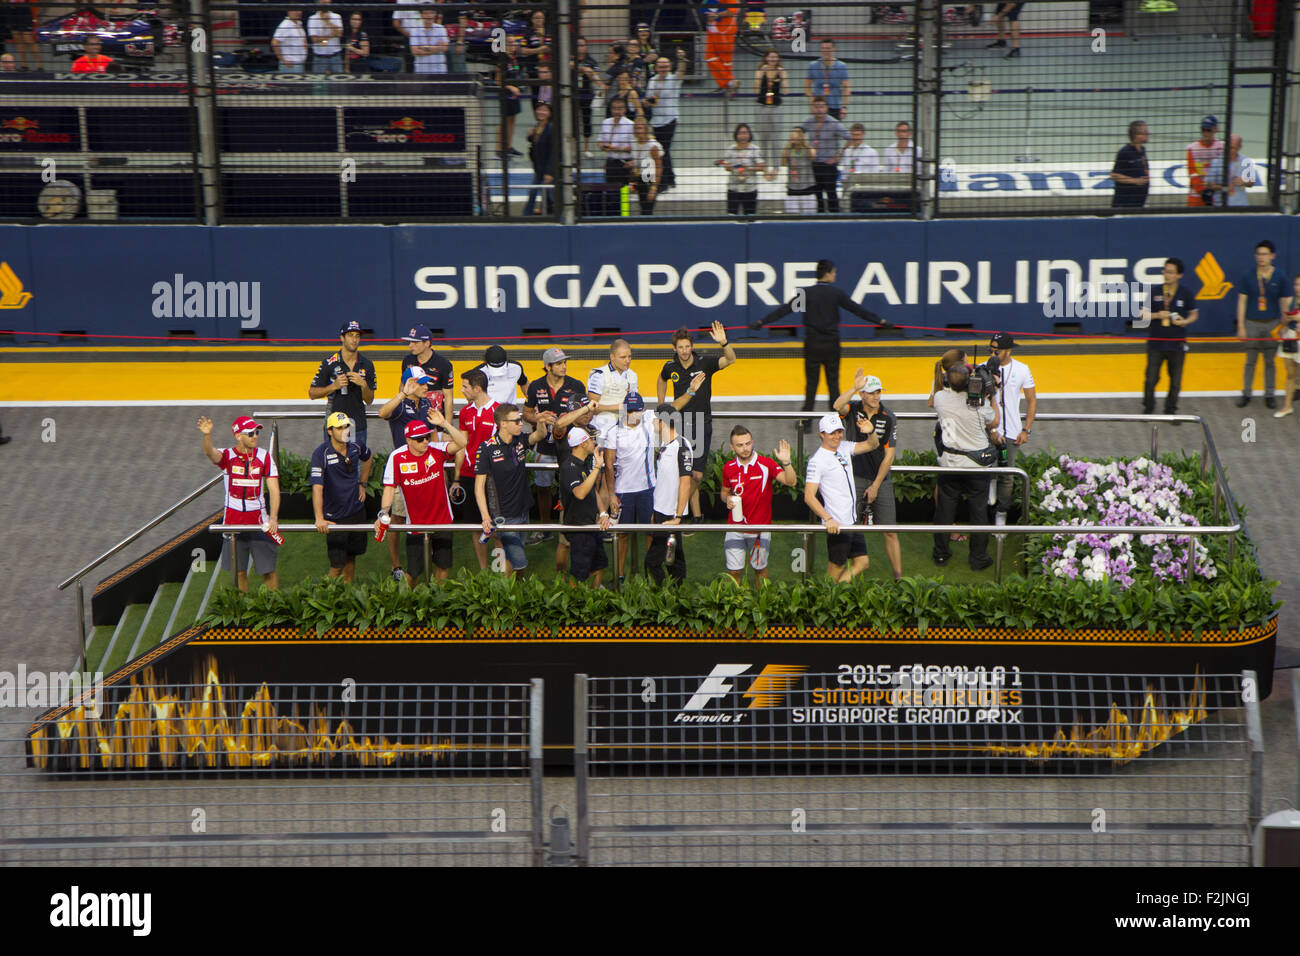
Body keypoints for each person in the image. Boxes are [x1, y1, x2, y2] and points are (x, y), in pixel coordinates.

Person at [752, 259, 893, 423]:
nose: (835, 275)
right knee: (833, 383)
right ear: (827, 274)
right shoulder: (836, 293)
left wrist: (761, 322)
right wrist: (881, 321)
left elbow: (784, 310)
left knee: (811, 384)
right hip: (831, 344)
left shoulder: (806, 293)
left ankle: (806, 421)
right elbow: (858, 310)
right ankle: (837, 418)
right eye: (834, 272)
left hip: (812, 344)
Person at [657, 321, 737, 525]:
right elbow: (661, 379)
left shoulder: (705, 363)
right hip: (678, 425)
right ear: (674, 348)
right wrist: (661, 404)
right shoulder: (670, 366)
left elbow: (731, 360)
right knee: (686, 472)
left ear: (692, 346)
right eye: (680, 347)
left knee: (697, 475)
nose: (684, 351)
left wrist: (724, 342)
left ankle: (677, 511)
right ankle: (694, 516)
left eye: (687, 346)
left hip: (701, 424)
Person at [377, 414, 467, 586]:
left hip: (443, 521)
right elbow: (389, 488)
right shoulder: (396, 457)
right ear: (408, 440)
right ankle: (411, 607)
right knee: (413, 573)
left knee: (442, 567)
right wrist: (383, 513)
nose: (425, 441)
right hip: (415, 525)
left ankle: (437, 603)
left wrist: (444, 424)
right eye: (419, 439)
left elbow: (462, 443)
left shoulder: (437, 449)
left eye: (426, 437)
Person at [198, 415, 280, 592]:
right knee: (239, 572)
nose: (255, 436)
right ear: (238, 436)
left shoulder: (264, 456)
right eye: (250, 433)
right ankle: (243, 612)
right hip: (233, 523)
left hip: (260, 522)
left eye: (256, 432)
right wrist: (207, 435)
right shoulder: (228, 456)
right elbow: (210, 453)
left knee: (269, 570)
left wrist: (273, 518)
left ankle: (276, 608)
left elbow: (274, 490)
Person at [833, 370, 901, 579]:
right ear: (862, 394)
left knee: (890, 531)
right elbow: (837, 406)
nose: (876, 396)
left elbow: (889, 456)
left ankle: (898, 577)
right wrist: (853, 387)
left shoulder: (888, 417)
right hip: (853, 479)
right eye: (871, 393)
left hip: (880, 480)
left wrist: (876, 485)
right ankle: (843, 572)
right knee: (848, 528)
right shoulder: (852, 410)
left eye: (878, 392)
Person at [931, 364, 1000, 571]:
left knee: (944, 510)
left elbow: (939, 391)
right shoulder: (979, 405)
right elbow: (995, 420)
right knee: (978, 512)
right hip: (976, 467)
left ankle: (940, 554)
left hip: (950, 464)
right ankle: (978, 558)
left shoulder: (940, 399)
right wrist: (992, 395)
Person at [376, 365, 437, 582]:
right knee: (398, 519)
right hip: (404, 471)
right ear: (409, 384)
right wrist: (402, 392)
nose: (426, 386)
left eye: (426, 382)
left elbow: (433, 433)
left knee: (425, 515)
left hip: (426, 470)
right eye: (421, 383)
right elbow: (382, 413)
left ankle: (423, 556)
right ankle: (396, 565)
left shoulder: (428, 402)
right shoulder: (401, 404)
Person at [804, 413, 879, 582]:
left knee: (862, 561)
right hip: (837, 524)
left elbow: (872, 444)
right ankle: (824, 601)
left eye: (839, 431)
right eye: (832, 432)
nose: (837, 436)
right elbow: (809, 496)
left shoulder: (844, 447)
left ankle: (834, 594)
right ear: (821, 434)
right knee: (836, 568)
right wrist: (828, 519)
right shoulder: (817, 461)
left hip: (852, 521)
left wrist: (871, 431)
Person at [523, 347, 587, 544]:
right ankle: (544, 528)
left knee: (571, 486)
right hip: (544, 445)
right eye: (559, 363)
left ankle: (572, 525)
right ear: (547, 367)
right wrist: (537, 417)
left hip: (570, 445)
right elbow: (526, 413)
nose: (564, 366)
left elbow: (585, 415)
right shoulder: (535, 386)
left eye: (565, 362)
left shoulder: (576, 385)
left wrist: (569, 420)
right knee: (543, 487)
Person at [475, 403, 545, 576]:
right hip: (504, 515)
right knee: (519, 562)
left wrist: (541, 421)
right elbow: (478, 487)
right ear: (503, 423)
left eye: (520, 420)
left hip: (523, 510)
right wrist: (485, 516)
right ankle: (512, 593)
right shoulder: (487, 448)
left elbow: (540, 435)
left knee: (512, 557)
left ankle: (506, 591)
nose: (521, 424)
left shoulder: (520, 439)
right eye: (517, 421)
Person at [721, 429, 796, 586]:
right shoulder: (728, 468)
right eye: (740, 445)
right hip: (734, 528)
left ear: (752, 442)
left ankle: (762, 606)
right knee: (734, 572)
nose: (745, 448)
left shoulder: (766, 464)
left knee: (760, 570)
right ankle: (735, 607)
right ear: (732, 447)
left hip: (760, 529)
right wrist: (727, 499)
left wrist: (786, 462)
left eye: (748, 443)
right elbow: (724, 492)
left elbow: (791, 482)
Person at [310, 411, 373, 583]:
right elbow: (317, 488)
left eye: (346, 426)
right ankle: (325, 598)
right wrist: (319, 518)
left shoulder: (355, 446)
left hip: (356, 511)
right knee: (337, 565)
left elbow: (368, 458)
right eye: (339, 428)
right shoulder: (320, 454)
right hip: (335, 517)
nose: (345, 430)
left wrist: (363, 483)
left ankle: (348, 595)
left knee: (352, 557)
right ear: (329, 431)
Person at [603, 392, 656, 582]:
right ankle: (619, 575)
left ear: (643, 409)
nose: (634, 413)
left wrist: (691, 391)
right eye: (630, 409)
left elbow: (675, 405)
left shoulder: (650, 422)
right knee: (622, 535)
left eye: (637, 409)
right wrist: (611, 494)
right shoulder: (613, 431)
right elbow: (609, 464)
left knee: (650, 532)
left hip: (647, 490)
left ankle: (650, 574)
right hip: (623, 491)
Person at [986, 333, 1037, 530]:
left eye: (996, 350)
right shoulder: (984, 368)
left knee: (1007, 474)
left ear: (1008, 350)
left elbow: (1032, 400)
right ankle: (990, 485)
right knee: (985, 467)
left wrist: (1026, 430)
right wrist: (990, 428)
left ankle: (1001, 513)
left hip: (1011, 432)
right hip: (987, 430)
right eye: (990, 349)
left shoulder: (1022, 369)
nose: (992, 353)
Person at [1236, 239, 1292, 409]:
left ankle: (1269, 394)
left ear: (1272, 256)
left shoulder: (1280, 276)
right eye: (1258, 254)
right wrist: (1241, 326)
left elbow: (1285, 301)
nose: (1261, 257)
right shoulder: (1248, 275)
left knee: (1270, 361)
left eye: (1265, 254)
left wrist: (1284, 325)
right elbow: (1242, 302)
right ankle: (1246, 393)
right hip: (1252, 323)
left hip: (1272, 324)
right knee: (1250, 361)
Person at [453, 368, 499, 568]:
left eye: (465, 387)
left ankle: (502, 570)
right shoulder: (465, 412)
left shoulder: (499, 411)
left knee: (497, 528)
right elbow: (463, 446)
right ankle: (484, 569)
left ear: (477, 389)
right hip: (469, 476)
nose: (461, 390)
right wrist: (456, 478)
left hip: (492, 478)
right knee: (475, 526)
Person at [1140, 258, 1197, 416]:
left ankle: (1170, 409)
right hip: (1156, 344)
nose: (1167, 275)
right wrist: (1157, 314)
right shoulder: (1155, 291)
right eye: (1165, 271)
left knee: (1176, 382)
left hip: (1177, 345)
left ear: (1179, 275)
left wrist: (1185, 321)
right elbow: (1141, 314)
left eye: (1171, 272)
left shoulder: (1186, 294)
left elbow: (1194, 314)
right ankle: (1148, 407)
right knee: (1151, 378)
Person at [308, 319, 377, 449]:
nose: (354, 340)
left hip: (357, 424)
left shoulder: (367, 364)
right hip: (335, 424)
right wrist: (334, 386)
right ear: (342, 337)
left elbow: (369, 400)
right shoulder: (329, 363)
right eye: (350, 335)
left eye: (357, 336)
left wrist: (363, 384)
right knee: (333, 464)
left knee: (356, 464)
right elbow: (312, 393)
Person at [645, 404, 693, 584]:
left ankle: (663, 595)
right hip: (661, 511)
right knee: (675, 558)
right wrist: (655, 511)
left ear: (662, 422)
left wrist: (678, 516)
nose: (652, 422)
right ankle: (676, 595)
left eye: (655, 419)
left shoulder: (681, 446)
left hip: (670, 514)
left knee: (653, 562)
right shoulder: (666, 445)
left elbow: (686, 482)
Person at [559, 427, 612, 586]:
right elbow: (580, 493)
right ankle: (575, 604)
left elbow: (592, 491)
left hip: (590, 524)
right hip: (578, 528)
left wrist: (603, 513)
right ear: (582, 444)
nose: (593, 442)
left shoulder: (583, 464)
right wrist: (597, 468)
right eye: (590, 440)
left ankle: (594, 599)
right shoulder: (568, 467)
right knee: (579, 573)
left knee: (600, 564)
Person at [644, 49, 686, 190]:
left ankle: (663, 182)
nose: (663, 69)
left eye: (666, 66)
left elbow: (681, 71)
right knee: (663, 150)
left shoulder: (673, 79)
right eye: (660, 67)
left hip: (669, 120)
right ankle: (670, 178)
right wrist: (647, 102)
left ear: (669, 67)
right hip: (655, 120)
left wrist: (682, 59)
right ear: (656, 68)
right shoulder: (652, 81)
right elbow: (649, 100)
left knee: (663, 149)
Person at [587, 338, 638, 446]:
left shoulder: (632, 375)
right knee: (606, 424)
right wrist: (619, 407)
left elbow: (635, 403)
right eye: (623, 357)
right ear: (612, 357)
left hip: (625, 419)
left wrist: (633, 423)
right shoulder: (599, 375)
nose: (627, 360)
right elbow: (591, 408)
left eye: (629, 357)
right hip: (602, 420)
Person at [801, 97, 848, 213]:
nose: (819, 109)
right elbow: (797, 134)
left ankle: (835, 217)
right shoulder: (808, 122)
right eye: (816, 107)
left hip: (829, 165)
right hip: (814, 164)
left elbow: (850, 138)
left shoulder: (834, 123)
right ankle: (820, 216)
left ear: (826, 108)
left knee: (831, 193)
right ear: (812, 108)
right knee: (818, 194)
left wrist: (837, 157)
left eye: (821, 107)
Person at [399, 324, 454, 420]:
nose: (410, 346)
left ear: (427, 343)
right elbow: (402, 387)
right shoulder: (407, 361)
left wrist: (447, 429)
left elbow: (448, 397)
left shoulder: (444, 364)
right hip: (412, 419)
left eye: (415, 342)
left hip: (435, 421)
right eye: (410, 342)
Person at [718, 123, 765, 216]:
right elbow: (727, 167)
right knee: (731, 216)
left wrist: (748, 168)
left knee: (750, 217)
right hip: (734, 188)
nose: (743, 135)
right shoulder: (730, 149)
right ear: (736, 135)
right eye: (740, 133)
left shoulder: (755, 149)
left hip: (750, 189)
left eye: (745, 133)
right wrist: (728, 167)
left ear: (749, 135)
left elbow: (761, 167)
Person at [753, 49, 788, 167]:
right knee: (763, 137)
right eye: (771, 57)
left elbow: (785, 91)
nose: (773, 59)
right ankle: (765, 166)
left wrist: (782, 76)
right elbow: (756, 91)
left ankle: (776, 166)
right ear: (766, 58)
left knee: (776, 139)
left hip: (775, 108)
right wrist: (761, 74)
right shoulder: (759, 71)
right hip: (761, 107)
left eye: (775, 57)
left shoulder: (781, 71)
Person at [773, 125, 818, 213]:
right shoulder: (789, 149)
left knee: (809, 219)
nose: (796, 135)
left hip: (807, 189)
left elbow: (813, 157)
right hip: (792, 190)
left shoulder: (807, 148)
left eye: (799, 133)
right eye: (794, 132)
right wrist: (789, 142)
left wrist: (804, 141)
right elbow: (783, 163)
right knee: (792, 218)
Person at [804, 39, 850, 120]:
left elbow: (846, 88)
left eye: (828, 48)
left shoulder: (841, 66)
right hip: (818, 107)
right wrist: (812, 102)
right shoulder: (813, 66)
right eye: (823, 48)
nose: (826, 51)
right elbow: (806, 87)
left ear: (833, 49)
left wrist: (844, 107)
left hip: (835, 107)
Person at [1203, 133, 1253, 208]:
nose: (1229, 150)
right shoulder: (1216, 162)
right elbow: (1209, 185)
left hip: (1240, 206)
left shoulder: (1246, 161)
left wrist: (1244, 181)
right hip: (1220, 206)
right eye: (1227, 147)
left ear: (1239, 148)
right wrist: (1224, 188)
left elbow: (1251, 183)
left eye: (1232, 148)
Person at [496, 36, 526, 156]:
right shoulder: (503, 59)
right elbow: (498, 80)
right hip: (506, 94)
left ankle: (508, 147)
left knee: (512, 120)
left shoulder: (514, 59)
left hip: (515, 94)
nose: (513, 45)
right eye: (510, 42)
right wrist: (510, 87)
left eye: (514, 43)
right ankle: (499, 150)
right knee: (504, 121)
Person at [524, 101, 555, 216]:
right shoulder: (536, 127)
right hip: (538, 168)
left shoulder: (551, 129)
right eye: (539, 109)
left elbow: (553, 152)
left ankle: (559, 215)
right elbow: (536, 145)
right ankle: (527, 216)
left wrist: (549, 172)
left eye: (545, 110)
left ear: (550, 113)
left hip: (548, 169)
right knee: (534, 192)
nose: (541, 112)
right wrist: (530, 136)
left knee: (551, 195)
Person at [1110, 120, 1150, 209]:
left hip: (1139, 203)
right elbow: (1114, 175)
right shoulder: (1125, 152)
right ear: (1137, 135)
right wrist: (1135, 181)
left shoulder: (1142, 150)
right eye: (1145, 132)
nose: (1148, 133)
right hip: (1124, 204)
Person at [627, 117, 663, 215]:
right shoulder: (634, 143)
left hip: (650, 180)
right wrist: (632, 163)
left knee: (647, 210)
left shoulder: (652, 146)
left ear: (646, 129)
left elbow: (659, 167)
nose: (637, 131)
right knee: (643, 208)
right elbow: (638, 159)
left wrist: (654, 188)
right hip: (640, 179)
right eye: (635, 128)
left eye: (640, 128)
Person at [1186, 116, 1223, 208]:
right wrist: (1203, 192)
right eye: (1203, 130)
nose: (1205, 133)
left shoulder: (1222, 147)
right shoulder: (1192, 148)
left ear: (1215, 130)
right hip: (1197, 195)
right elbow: (1192, 173)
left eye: (1208, 130)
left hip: (1216, 195)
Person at [1276, 275, 1300, 419]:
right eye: (1296, 284)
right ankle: (1287, 406)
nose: (1298, 288)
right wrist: (1283, 324)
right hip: (1290, 338)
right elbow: (1284, 319)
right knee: (1290, 374)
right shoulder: (1289, 300)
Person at [598, 97, 635, 189]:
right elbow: (600, 141)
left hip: (624, 164)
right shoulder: (605, 123)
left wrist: (617, 148)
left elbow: (634, 147)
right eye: (614, 108)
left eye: (620, 109)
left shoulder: (631, 125)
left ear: (625, 110)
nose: (617, 111)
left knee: (624, 194)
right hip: (610, 163)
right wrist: (603, 147)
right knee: (611, 193)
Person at [572, 37, 599, 157]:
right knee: (572, 122)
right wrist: (582, 69)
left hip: (587, 95)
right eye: (577, 45)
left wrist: (590, 72)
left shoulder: (591, 61)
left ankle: (586, 149)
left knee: (586, 121)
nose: (580, 48)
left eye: (582, 45)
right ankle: (573, 149)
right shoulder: (570, 58)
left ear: (586, 47)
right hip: (571, 95)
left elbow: (596, 76)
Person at [409, 6, 449, 74]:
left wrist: (424, 47)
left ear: (435, 14)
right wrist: (437, 48)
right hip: (421, 70)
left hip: (439, 70)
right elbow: (415, 51)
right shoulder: (415, 30)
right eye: (426, 13)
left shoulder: (441, 28)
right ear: (421, 15)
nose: (429, 15)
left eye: (431, 13)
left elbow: (445, 48)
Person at [307, 0, 343, 72]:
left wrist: (328, 21)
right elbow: (314, 39)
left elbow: (339, 34)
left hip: (335, 57)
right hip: (320, 57)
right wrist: (331, 35)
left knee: (338, 82)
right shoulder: (312, 19)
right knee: (320, 82)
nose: (325, 1)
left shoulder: (336, 16)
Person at [272, 6, 308, 74]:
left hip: (299, 63)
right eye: (295, 10)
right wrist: (283, 60)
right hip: (291, 65)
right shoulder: (285, 25)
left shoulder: (298, 24)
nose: (298, 13)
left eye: (299, 10)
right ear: (289, 12)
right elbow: (275, 43)